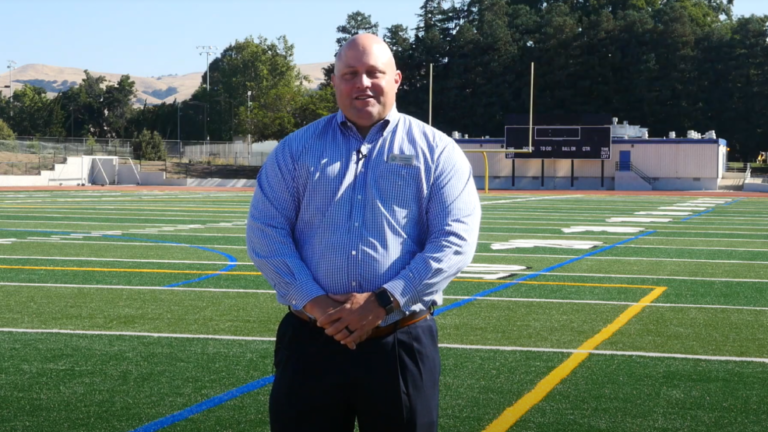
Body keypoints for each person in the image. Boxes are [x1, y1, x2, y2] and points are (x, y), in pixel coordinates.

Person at [246, 33, 481, 432]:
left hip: (399, 341)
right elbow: (266, 234)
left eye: (374, 72)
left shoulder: (437, 150)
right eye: (350, 73)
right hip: (311, 341)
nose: (363, 83)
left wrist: (382, 303)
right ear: (334, 81)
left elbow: (455, 240)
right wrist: (321, 308)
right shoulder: (294, 149)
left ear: (397, 79)